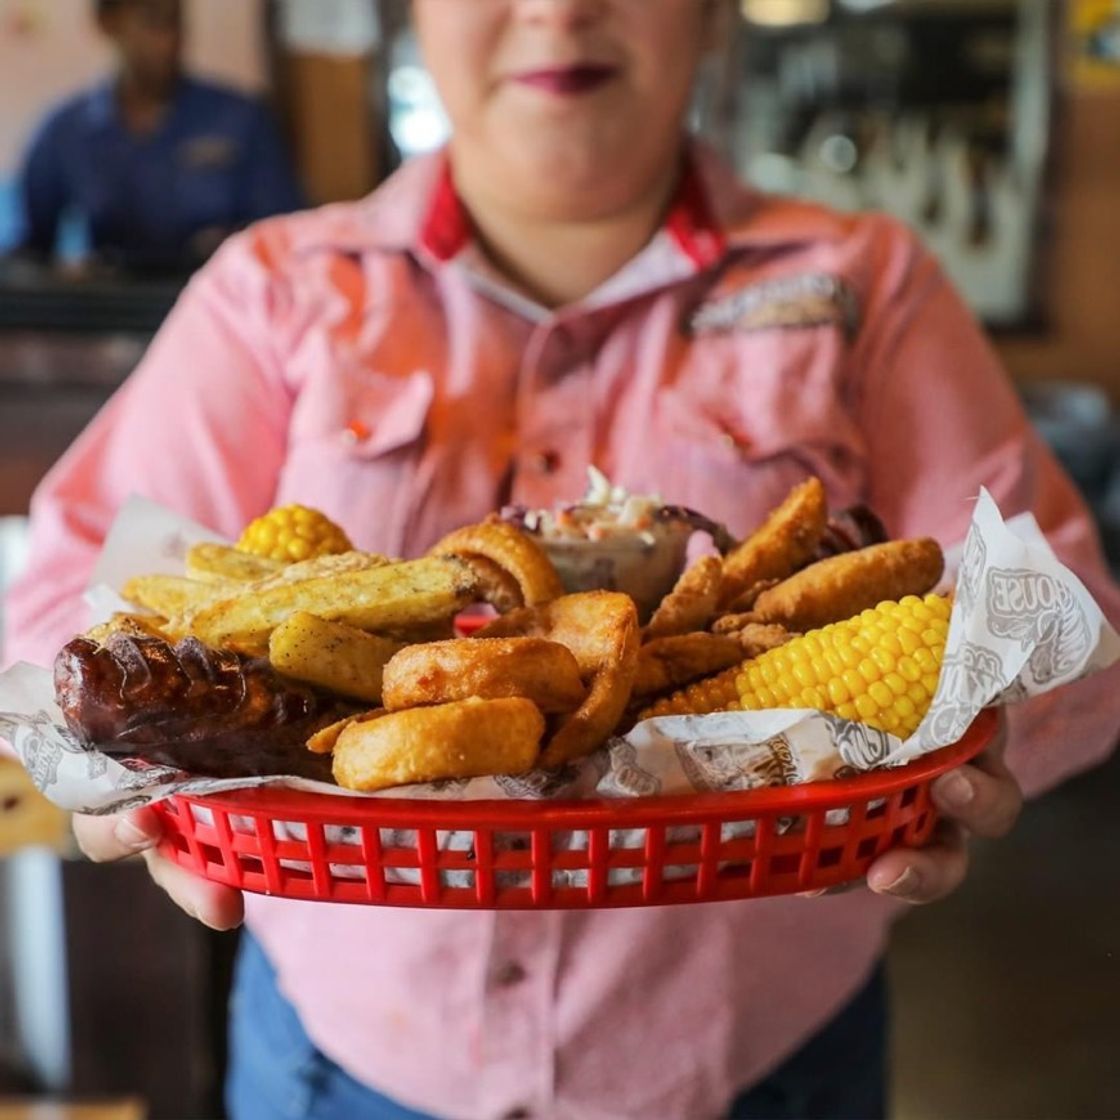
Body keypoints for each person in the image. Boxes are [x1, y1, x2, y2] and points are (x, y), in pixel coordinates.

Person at [5, 1, 1120, 1117]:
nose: (556, 9)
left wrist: (975, 730)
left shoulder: (864, 280)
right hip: (338, 1065)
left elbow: (1069, 622)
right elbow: (58, 597)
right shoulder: (276, 290)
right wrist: (110, 772)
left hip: (763, 1064)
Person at [10, 0, 303, 273]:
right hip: (111, 311)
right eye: (154, 23)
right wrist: (66, 276)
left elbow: (290, 236)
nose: (169, 41)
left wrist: (231, 244)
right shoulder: (66, 132)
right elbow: (28, 253)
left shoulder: (241, 120)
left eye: (176, 23)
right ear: (107, 23)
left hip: (224, 309)